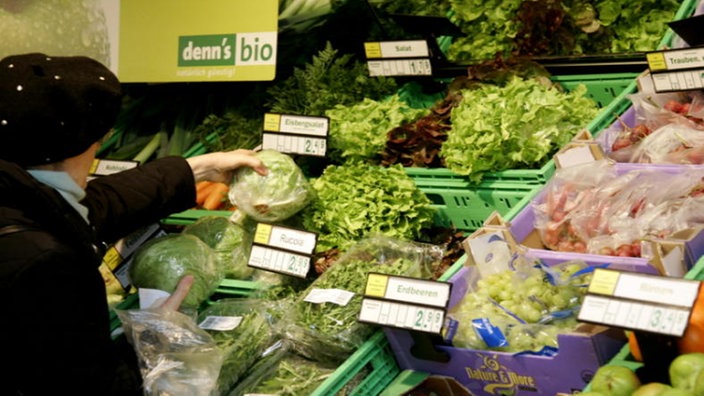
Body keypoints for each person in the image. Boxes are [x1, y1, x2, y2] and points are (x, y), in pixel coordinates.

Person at [0, 53, 267, 395]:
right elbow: (88, 386)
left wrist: (196, 169)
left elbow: (97, 205)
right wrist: (154, 335)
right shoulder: (43, 263)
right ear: (77, 147)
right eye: (98, 139)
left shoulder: (20, 194)